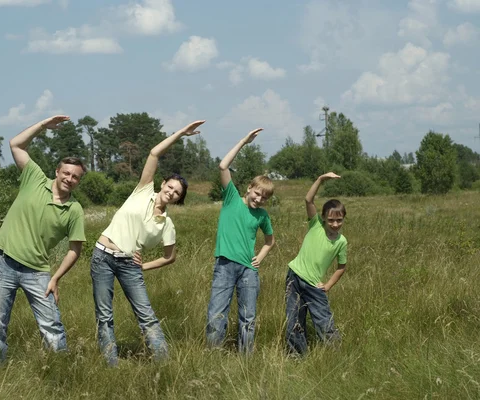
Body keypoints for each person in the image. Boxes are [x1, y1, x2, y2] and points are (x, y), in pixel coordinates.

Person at [91, 120, 205, 366]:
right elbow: (154, 152)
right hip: (102, 256)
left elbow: (169, 257)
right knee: (104, 316)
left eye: (177, 194)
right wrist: (181, 134)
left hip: (129, 265)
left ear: (178, 200)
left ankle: (165, 365)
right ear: (163, 183)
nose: (172, 192)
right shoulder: (143, 189)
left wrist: (143, 266)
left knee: (146, 316)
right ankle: (111, 366)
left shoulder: (167, 225)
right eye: (171, 187)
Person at [0, 115, 86, 361]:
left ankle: (61, 374)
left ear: (78, 181)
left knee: (52, 326)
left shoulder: (74, 209)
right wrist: (43, 126)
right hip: (3, 262)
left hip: (38, 272)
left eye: (75, 177)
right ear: (57, 171)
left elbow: (75, 249)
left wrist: (56, 278)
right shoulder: (34, 178)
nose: (69, 179)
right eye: (66, 173)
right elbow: (16, 144)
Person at [205, 128, 275, 354]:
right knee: (217, 314)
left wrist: (259, 259)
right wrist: (244, 141)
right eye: (257, 193)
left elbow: (270, 241)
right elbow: (223, 166)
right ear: (249, 188)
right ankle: (213, 356)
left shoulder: (262, 216)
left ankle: (246, 360)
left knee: (248, 317)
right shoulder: (231, 199)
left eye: (264, 197)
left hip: (248, 270)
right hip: (224, 265)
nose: (259, 199)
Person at [285, 172, 347, 356]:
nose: (335, 224)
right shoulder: (316, 225)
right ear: (323, 218)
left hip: (314, 285)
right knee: (294, 321)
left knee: (324, 322)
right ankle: (296, 357)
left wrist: (327, 286)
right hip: (294, 278)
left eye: (339, 220)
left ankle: (335, 356)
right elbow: (308, 200)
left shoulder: (341, 242)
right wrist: (320, 179)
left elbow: (341, 267)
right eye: (331, 220)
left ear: (343, 219)